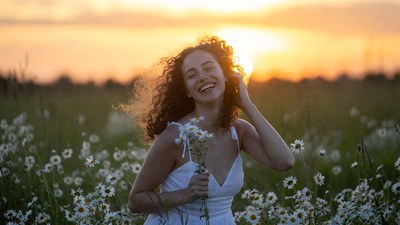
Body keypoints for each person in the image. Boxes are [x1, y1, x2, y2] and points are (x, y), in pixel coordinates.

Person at [127, 36, 295, 225]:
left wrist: (247, 105)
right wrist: (186, 194)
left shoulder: (239, 131)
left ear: (225, 74)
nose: (202, 77)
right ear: (188, 91)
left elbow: (284, 162)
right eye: (192, 75)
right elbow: (136, 201)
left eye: (208, 68)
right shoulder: (176, 136)